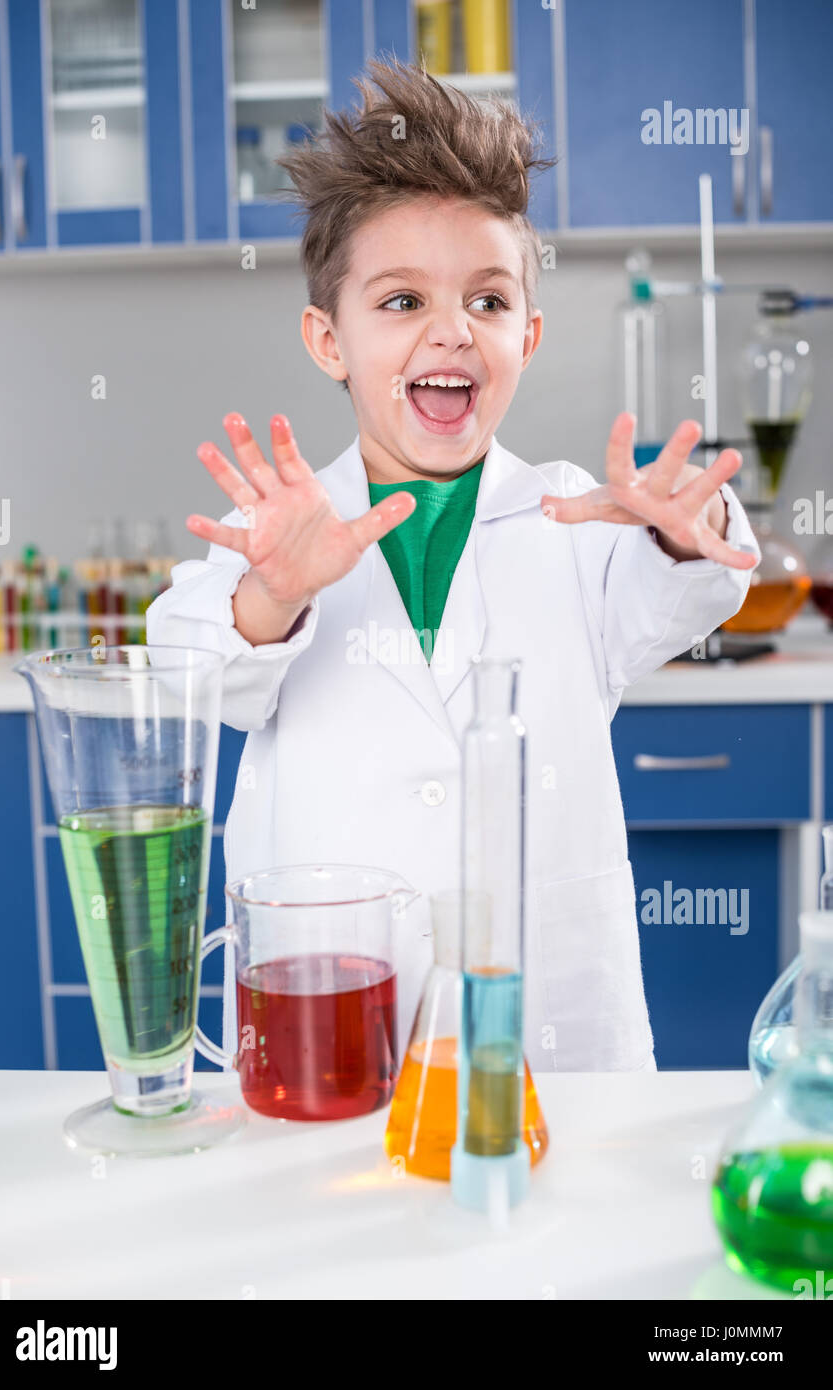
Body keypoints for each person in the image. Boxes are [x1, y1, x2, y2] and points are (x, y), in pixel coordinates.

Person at [146, 59, 759, 1071]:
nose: (451, 329)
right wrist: (276, 591)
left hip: (553, 1049)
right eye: (399, 302)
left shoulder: (574, 518)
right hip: (333, 1037)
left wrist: (682, 525)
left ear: (529, 331)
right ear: (326, 337)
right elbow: (190, 661)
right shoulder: (281, 527)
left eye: (487, 299)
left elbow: (690, 583)